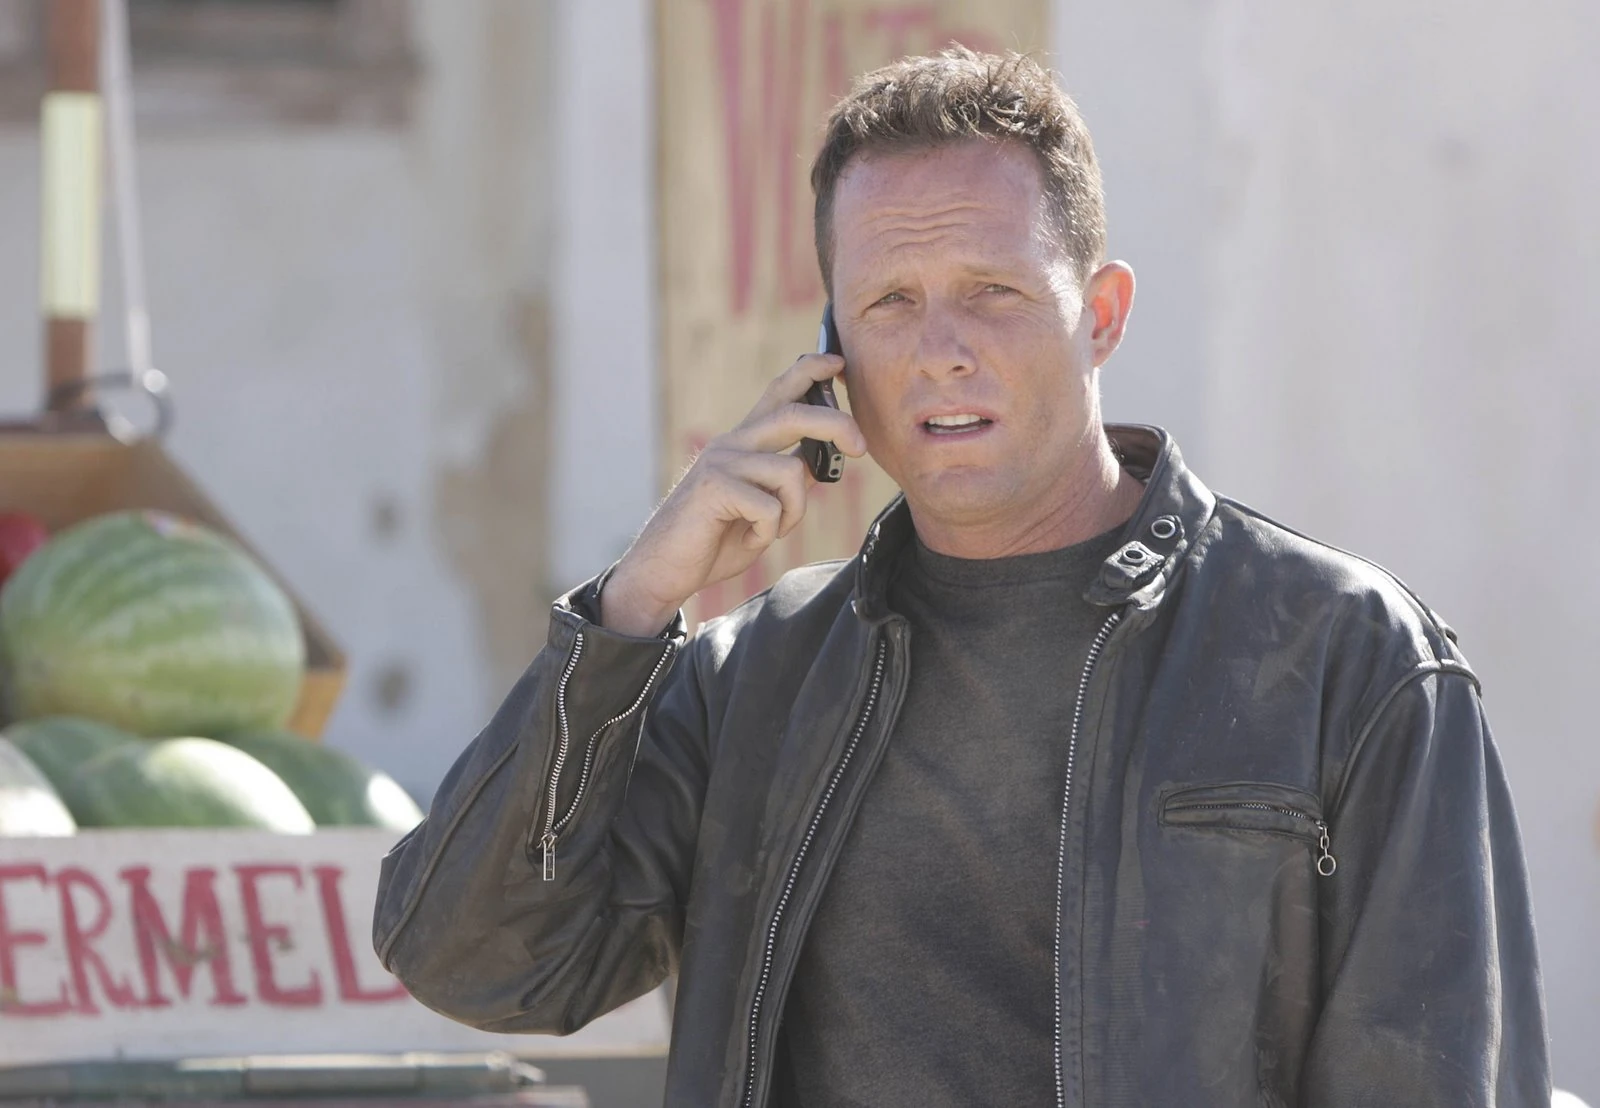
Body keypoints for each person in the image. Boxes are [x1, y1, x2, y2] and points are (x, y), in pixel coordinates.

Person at [373, 47, 1550, 1107]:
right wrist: (632, 607)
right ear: (831, 358)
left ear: (1100, 316)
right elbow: (472, 960)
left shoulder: (1343, 656)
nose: (941, 349)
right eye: (890, 302)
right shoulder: (753, 679)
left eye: (993, 290)